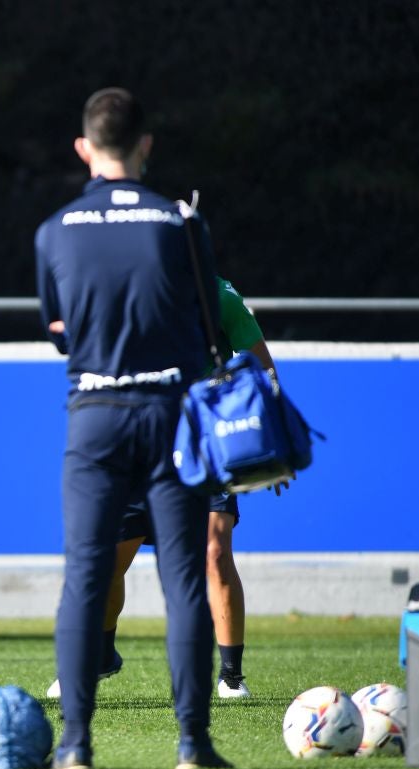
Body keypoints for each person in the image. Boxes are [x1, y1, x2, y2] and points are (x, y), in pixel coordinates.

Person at [35, 88, 231, 769]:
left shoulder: (55, 228)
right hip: (173, 415)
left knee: (85, 579)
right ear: (146, 145)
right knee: (183, 581)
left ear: (84, 149)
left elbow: (58, 330)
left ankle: (75, 745)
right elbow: (214, 327)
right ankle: (192, 744)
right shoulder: (180, 222)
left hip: (94, 417)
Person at [45, 279, 279, 702]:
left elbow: (262, 366)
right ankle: (98, 656)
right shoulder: (125, 290)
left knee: (214, 550)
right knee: (108, 562)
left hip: (206, 446)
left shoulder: (217, 295)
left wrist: (271, 447)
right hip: (140, 441)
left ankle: (230, 676)